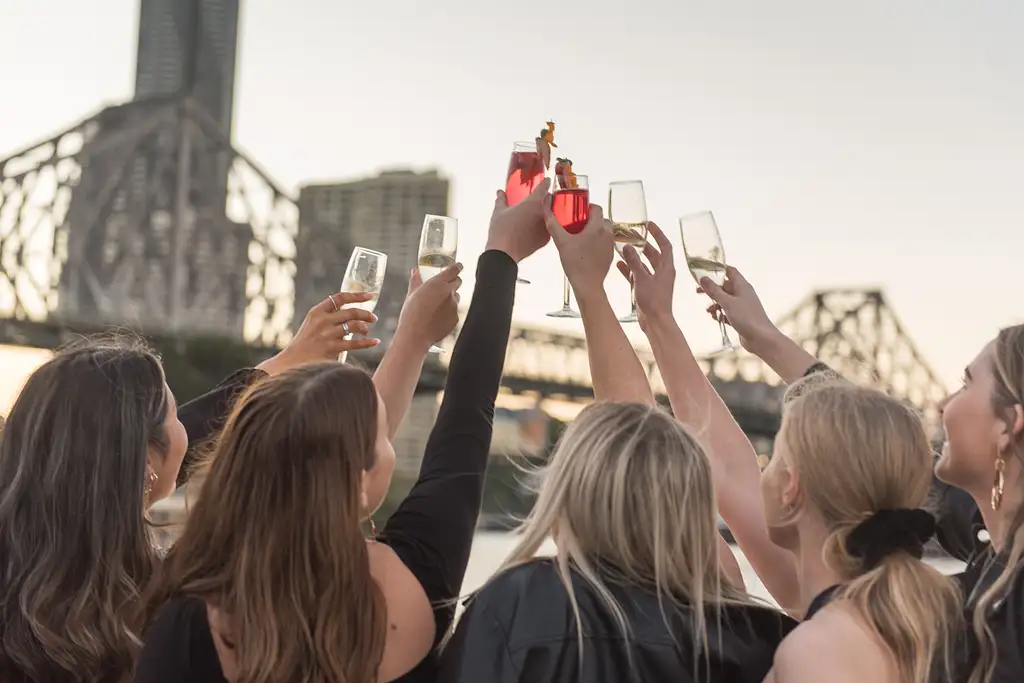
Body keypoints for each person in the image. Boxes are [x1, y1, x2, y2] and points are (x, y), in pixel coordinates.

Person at [132, 180, 555, 683]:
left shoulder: (181, 605)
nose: (387, 439)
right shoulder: (413, 583)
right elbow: (469, 413)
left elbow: (332, 438)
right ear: (356, 480)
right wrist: (500, 258)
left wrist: (414, 339)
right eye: (381, 438)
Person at [437, 204, 795, 683]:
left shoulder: (512, 608)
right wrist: (657, 320)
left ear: (568, 493)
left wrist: (589, 289)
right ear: (689, 499)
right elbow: (655, 449)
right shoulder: (761, 634)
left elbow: (637, 440)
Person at [0, 291, 405, 683]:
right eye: (177, 413)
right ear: (142, 462)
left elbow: (118, 446)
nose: (189, 429)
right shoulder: (170, 593)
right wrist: (413, 337)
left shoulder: (20, 568)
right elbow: (343, 463)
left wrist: (278, 366)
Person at [670, 257, 963, 682]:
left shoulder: (818, 652)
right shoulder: (934, 616)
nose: (760, 472)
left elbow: (732, 467)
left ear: (791, 487)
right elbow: (734, 465)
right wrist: (657, 318)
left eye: (773, 460)